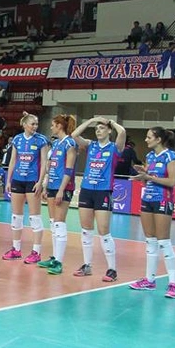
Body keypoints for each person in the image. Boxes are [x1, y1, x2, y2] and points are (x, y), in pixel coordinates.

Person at [69, 116, 127, 282]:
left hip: (103, 191)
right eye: (96, 129)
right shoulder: (91, 145)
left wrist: (111, 122)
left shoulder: (114, 147)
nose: (98, 131)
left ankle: (112, 269)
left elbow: (122, 131)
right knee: (86, 229)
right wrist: (92, 121)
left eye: (101, 128)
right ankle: (87, 265)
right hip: (87, 190)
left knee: (104, 231)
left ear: (108, 131)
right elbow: (74, 135)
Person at [129, 127, 175, 299]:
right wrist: (143, 175)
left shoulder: (171, 156)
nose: (146, 140)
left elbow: (172, 181)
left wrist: (149, 177)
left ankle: (174, 283)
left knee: (164, 242)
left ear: (159, 139)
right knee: (150, 241)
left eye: (149, 137)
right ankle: (150, 280)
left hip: (163, 200)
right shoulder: (150, 156)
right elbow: (148, 179)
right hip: (148, 199)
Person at [2, 112, 49, 263]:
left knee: (35, 217)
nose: (35, 126)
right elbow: (13, 161)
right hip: (17, 180)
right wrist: (8, 181)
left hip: (32, 181)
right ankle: (16, 249)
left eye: (36, 124)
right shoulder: (17, 139)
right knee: (16, 216)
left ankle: (36, 252)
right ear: (24, 125)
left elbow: (44, 163)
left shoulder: (41, 140)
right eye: (32, 124)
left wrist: (40, 182)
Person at [38, 115, 78, 275]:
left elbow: (69, 169)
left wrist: (62, 189)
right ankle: (54, 257)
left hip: (64, 187)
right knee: (53, 223)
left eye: (53, 125)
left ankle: (59, 262)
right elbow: (51, 166)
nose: (51, 127)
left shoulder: (70, 143)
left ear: (60, 126)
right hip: (52, 186)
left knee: (60, 223)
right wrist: (46, 186)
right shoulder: (55, 144)